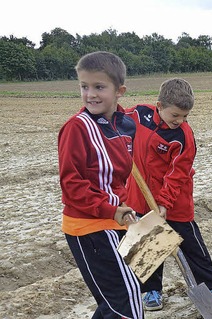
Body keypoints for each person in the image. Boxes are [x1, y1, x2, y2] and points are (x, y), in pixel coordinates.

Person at [125, 78, 212, 311]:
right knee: (146, 244)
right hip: (140, 195)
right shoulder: (138, 114)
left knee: (191, 245)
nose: (180, 121)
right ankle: (150, 290)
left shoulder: (183, 136)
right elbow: (115, 117)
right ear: (159, 106)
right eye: (175, 116)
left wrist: (164, 203)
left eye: (185, 116)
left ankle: (210, 286)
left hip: (175, 201)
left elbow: (178, 174)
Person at [58, 51, 143, 318]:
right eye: (84, 86)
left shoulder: (126, 125)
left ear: (120, 91)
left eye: (99, 87)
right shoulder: (77, 128)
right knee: (126, 301)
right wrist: (110, 209)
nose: (90, 94)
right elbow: (72, 185)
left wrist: (124, 209)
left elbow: (116, 178)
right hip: (89, 226)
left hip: (116, 221)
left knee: (121, 296)